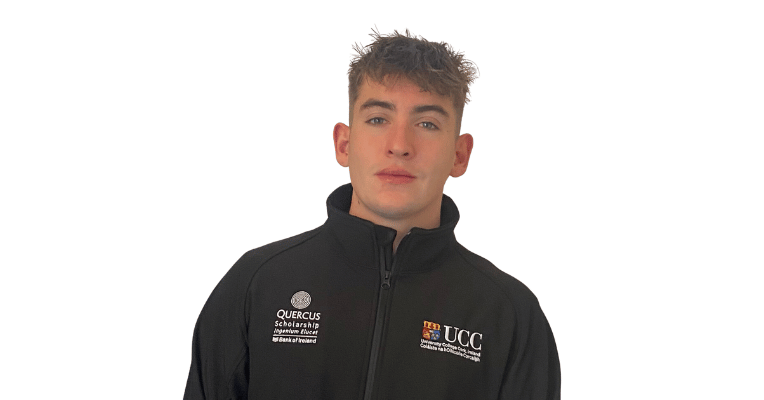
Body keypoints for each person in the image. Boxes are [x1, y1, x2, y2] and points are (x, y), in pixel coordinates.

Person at [184, 30, 560, 400]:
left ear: (459, 155)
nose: (399, 146)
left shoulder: (509, 315)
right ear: (344, 144)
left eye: (427, 124)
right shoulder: (256, 284)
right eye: (378, 119)